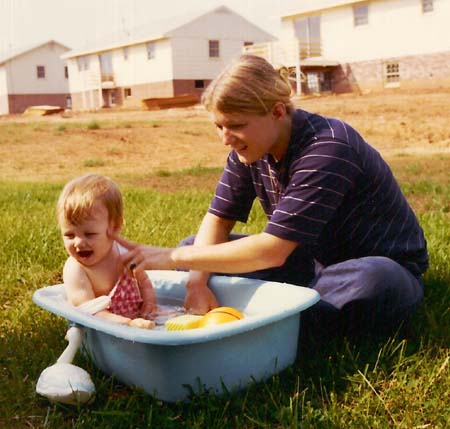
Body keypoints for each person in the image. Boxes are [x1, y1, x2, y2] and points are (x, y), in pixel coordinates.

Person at [117, 54, 428, 339]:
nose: (226, 139)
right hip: (309, 261)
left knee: (373, 280)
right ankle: (281, 308)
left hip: (375, 268)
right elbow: (218, 219)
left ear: (277, 112)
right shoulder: (249, 150)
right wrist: (196, 282)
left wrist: (172, 258)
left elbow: (272, 251)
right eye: (219, 126)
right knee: (195, 248)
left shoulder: (329, 148)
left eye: (236, 125)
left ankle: (271, 315)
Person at [57, 174, 156, 329]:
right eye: (69, 235)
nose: (78, 243)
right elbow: (88, 312)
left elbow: (144, 282)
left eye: (90, 234)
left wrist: (150, 306)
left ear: (114, 228)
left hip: (136, 321)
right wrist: (128, 324)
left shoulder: (124, 254)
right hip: (100, 330)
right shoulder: (76, 270)